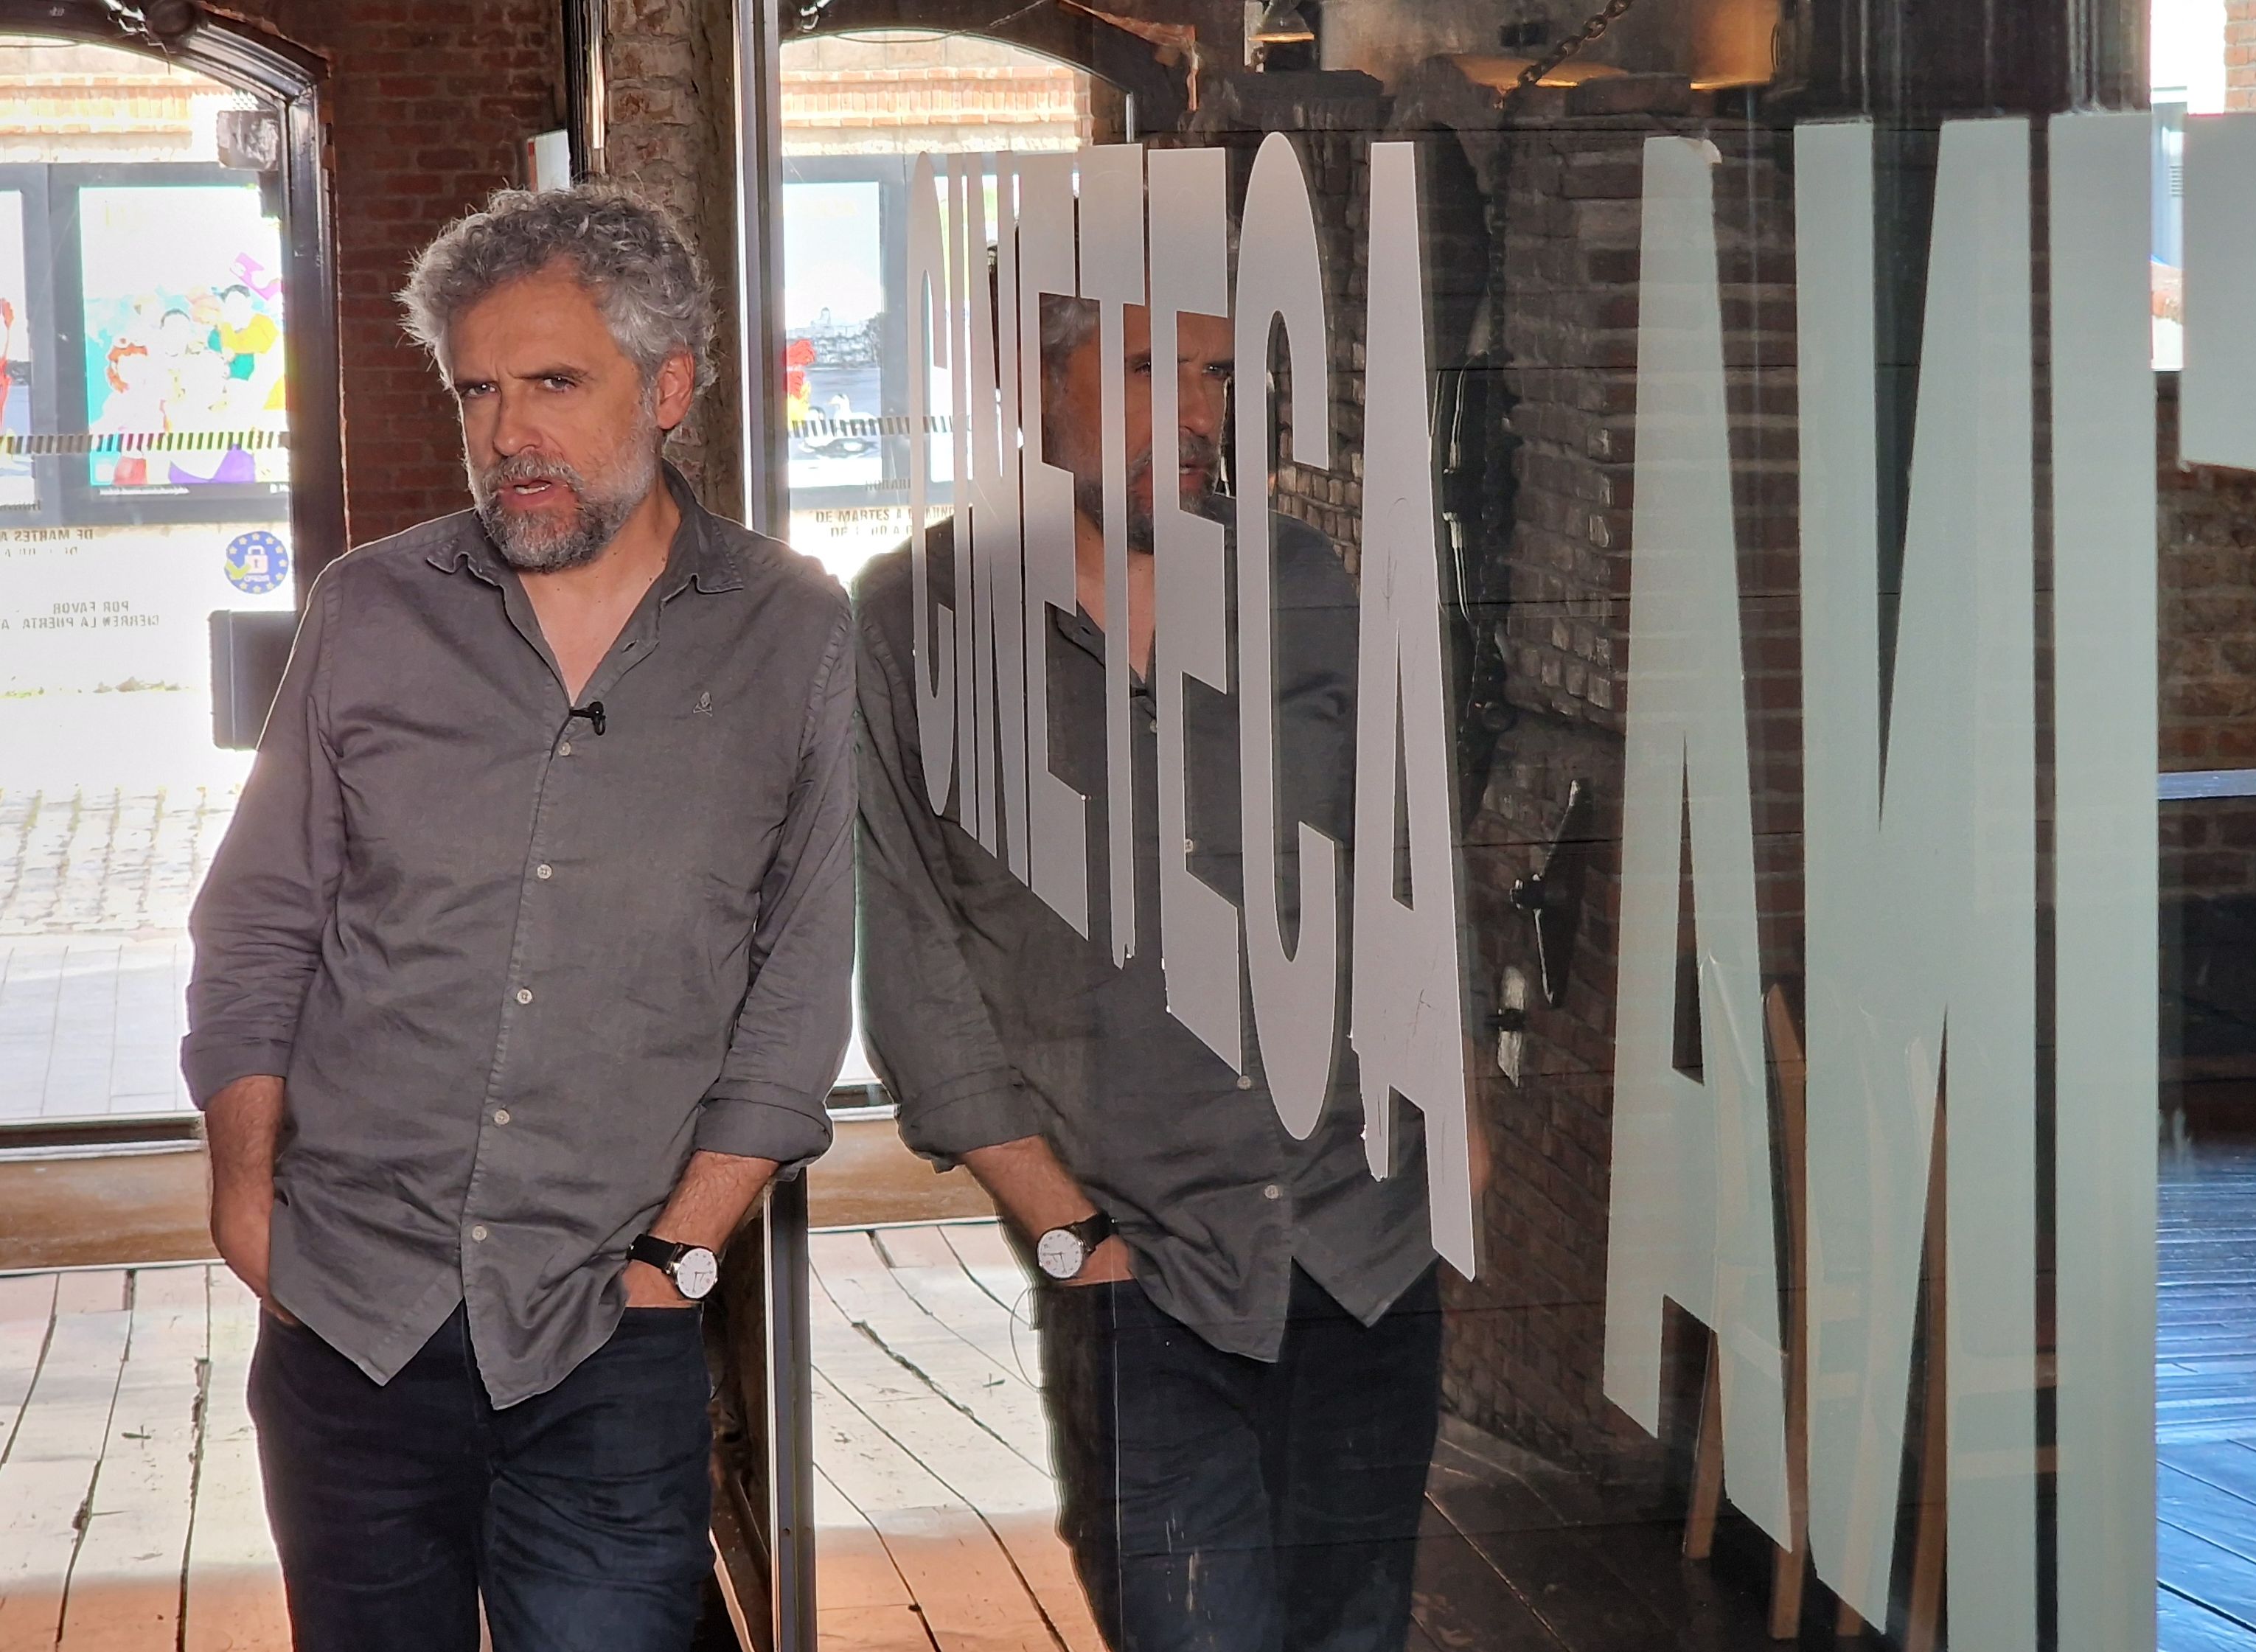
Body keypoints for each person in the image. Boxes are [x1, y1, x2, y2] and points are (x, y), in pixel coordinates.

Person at [184, 184, 855, 1652]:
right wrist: (244, 1192)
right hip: (348, 1317)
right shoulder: (370, 609)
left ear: (667, 386)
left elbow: (801, 980)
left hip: (608, 1326)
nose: (506, 435)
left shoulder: (793, 631)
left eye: (554, 382)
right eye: (477, 391)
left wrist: (681, 1255)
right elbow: (258, 922)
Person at [854, 294, 1441, 1652]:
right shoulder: (912, 622)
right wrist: (1067, 1230)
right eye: (1144, 369)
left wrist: (1447, 1115)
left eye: (1215, 375)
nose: (1193, 414)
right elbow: (909, 951)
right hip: (1142, 1263)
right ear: (1029, 380)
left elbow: (1408, 862)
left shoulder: (1303, 582)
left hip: (1362, 1242)